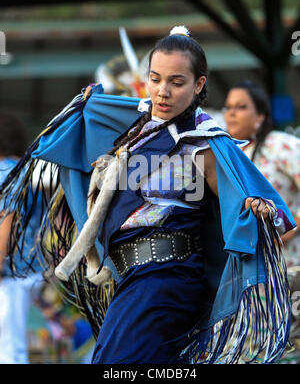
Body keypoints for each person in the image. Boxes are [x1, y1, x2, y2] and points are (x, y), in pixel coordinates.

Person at [0, 27, 296, 364]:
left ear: (199, 85)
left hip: (168, 279)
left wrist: (255, 208)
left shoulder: (206, 143)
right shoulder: (134, 131)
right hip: (132, 279)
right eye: (155, 79)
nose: (163, 91)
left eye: (177, 82)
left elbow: (256, 206)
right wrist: (88, 106)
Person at [224, 81, 300, 269]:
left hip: (288, 264)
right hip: (247, 269)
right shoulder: (226, 153)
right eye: (228, 107)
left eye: (241, 107)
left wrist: (292, 228)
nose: (232, 113)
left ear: (260, 115)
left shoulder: (280, 144)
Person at [0, 111, 44, 364]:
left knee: (10, 351)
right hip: (27, 268)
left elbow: (7, 217)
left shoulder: (5, 170)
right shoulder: (26, 168)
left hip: (9, 272)